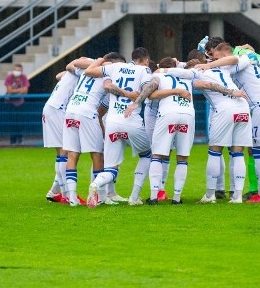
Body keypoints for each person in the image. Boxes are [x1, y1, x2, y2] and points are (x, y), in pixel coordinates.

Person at [198, 43, 260, 203]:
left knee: (259, 150)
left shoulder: (237, 60)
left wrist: (208, 65)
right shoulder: (247, 59)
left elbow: (233, 59)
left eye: (217, 58)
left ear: (225, 56)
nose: (215, 61)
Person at [162, 57, 250, 204]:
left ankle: (210, 195)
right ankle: (237, 196)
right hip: (243, 107)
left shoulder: (197, 71)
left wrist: (162, 69)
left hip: (224, 109)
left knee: (215, 151)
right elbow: (243, 59)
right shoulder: (223, 67)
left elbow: (177, 73)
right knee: (238, 152)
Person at [84, 49, 153, 207]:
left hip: (112, 123)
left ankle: (96, 184)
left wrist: (122, 92)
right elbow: (147, 89)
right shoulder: (144, 70)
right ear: (146, 60)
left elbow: (92, 74)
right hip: (132, 120)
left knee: (110, 167)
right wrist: (134, 100)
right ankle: (134, 197)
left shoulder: (115, 68)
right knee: (147, 154)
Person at [134, 57, 195, 205]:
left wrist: (136, 103)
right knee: (182, 157)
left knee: (157, 154)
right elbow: (203, 80)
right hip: (188, 114)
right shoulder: (188, 77)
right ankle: (177, 198)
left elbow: (150, 93)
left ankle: (154, 196)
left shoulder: (158, 76)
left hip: (168, 113)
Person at [61, 57, 108, 206]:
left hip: (71, 109)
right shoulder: (109, 73)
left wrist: (98, 62)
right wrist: (104, 63)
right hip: (87, 112)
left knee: (72, 154)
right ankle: (99, 197)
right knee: (97, 154)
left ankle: (72, 198)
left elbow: (71, 64)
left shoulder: (85, 71)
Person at [41, 60, 82, 203]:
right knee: (66, 152)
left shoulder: (74, 74)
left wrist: (72, 70)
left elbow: (58, 75)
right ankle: (67, 195)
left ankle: (54, 191)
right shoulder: (84, 74)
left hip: (50, 107)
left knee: (61, 154)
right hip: (57, 108)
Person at [4, 64, 30, 144]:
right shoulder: (9, 77)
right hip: (10, 103)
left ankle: (20, 139)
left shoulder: (24, 77)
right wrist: (19, 90)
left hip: (20, 103)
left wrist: (14, 90)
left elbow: (25, 91)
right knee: (12, 122)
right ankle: (12, 140)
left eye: (18, 70)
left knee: (20, 121)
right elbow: (9, 90)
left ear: (21, 71)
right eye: (15, 70)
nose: (16, 72)